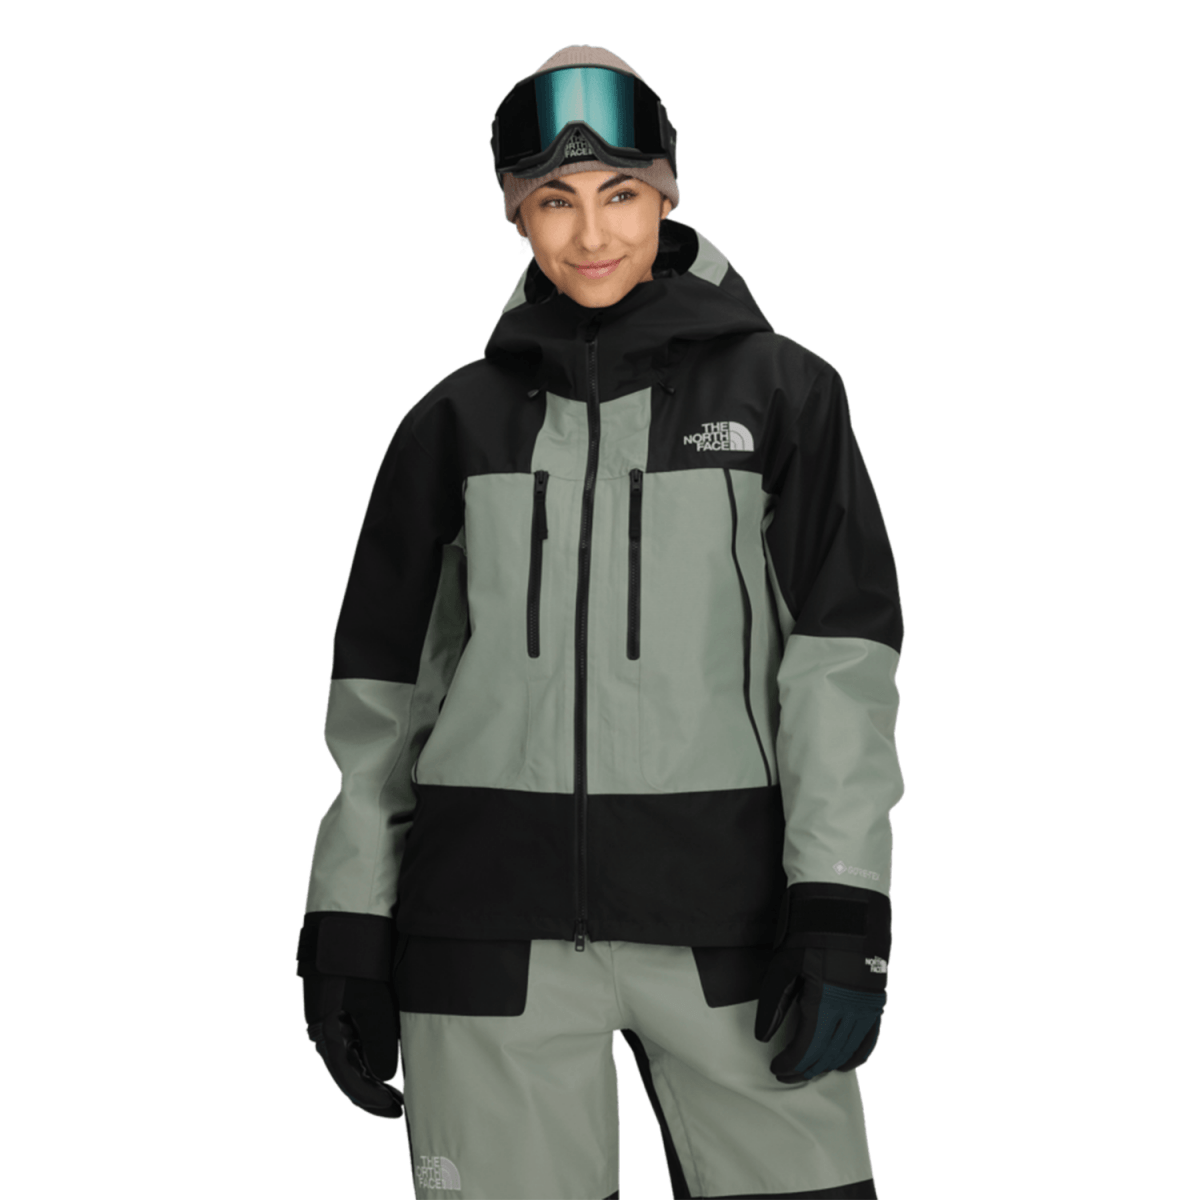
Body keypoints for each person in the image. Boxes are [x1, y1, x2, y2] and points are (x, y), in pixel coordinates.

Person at [295, 44, 904, 1200]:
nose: (590, 234)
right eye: (553, 201)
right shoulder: (453, 426)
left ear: (667, 193)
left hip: (734, 931)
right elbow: (381, 709)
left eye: (620, 192)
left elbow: (840, 670)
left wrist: (840, 900)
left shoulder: (785, 400)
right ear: (514, 212)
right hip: (485, 942)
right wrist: (348, 920)